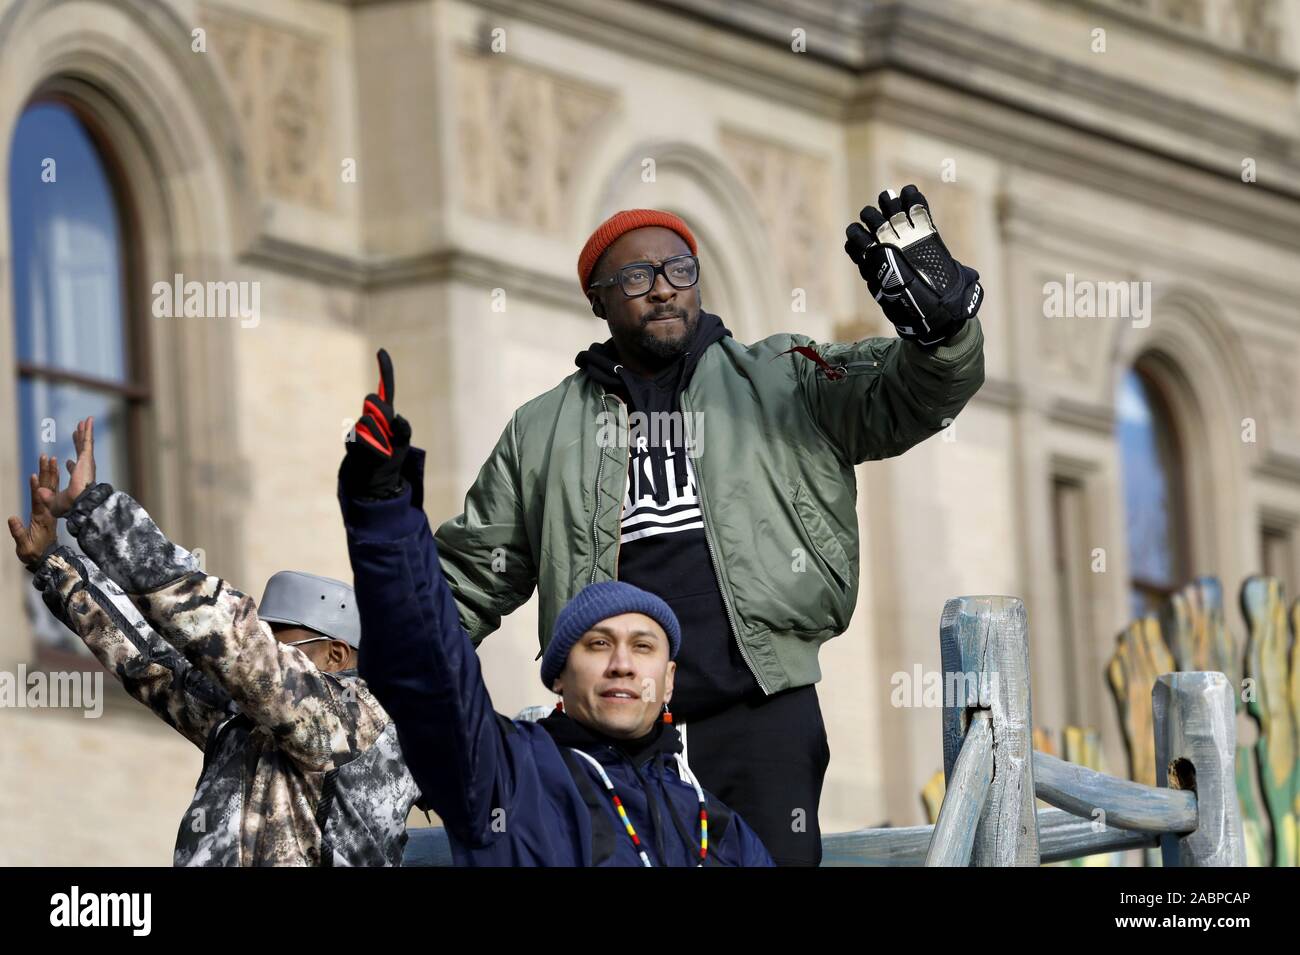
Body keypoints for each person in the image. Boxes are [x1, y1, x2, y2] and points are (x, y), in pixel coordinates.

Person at [424, 186, 987, 864]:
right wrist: (388, 700)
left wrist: (943, 334)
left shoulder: (785, 378)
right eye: (636, 276)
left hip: (761, 714)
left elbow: (910, 395)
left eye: (678, 270)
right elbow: (462, 583)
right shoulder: (541, 431)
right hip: (607, 730)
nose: (662, 289)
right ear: (598, 300)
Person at [337, 373, 772, 865]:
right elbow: (427, 671)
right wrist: (385, 511)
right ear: (559, 675)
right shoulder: (507, 775)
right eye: (599, 644)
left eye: (644, 646)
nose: (623, 665)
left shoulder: (718, 829)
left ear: (668, 681)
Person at [7, 417, 420, 866]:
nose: (267, 649)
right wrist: (54, 564)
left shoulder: (357, 717)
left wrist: (98, 510)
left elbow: (226, 634)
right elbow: (150, 661)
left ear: (337, 653)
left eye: (278, 641)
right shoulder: (248, 719)